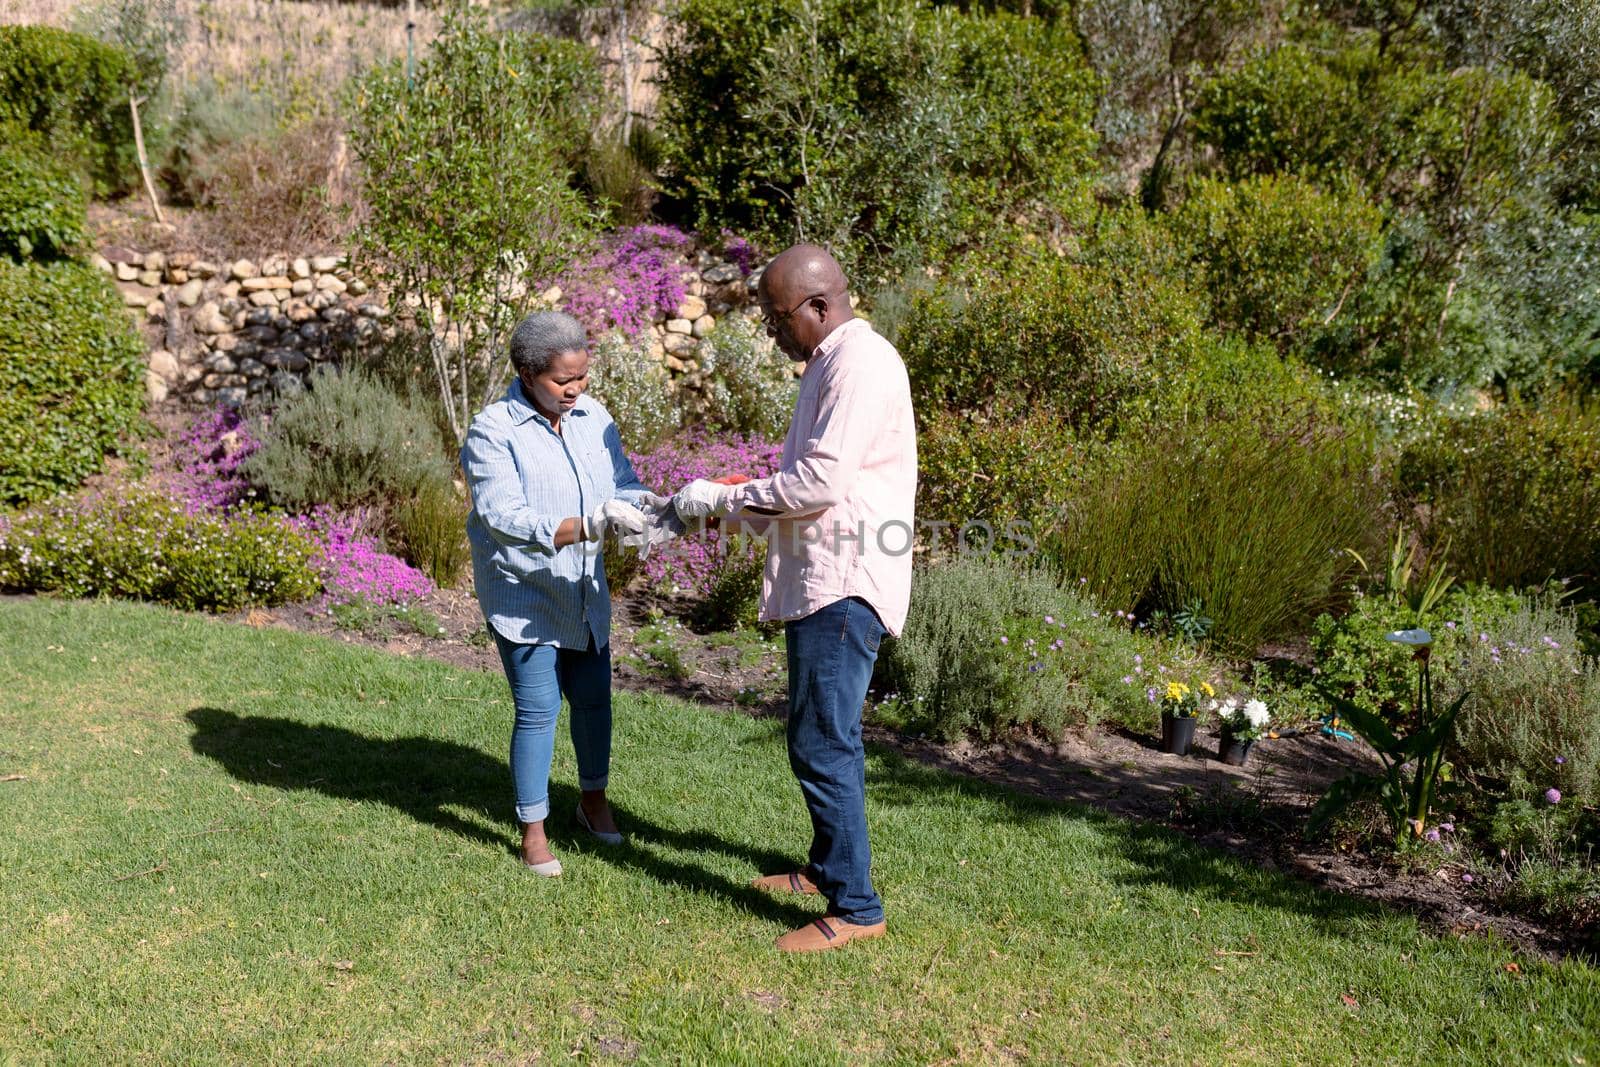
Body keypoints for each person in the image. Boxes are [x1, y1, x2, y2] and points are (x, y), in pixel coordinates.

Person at [673, 244, 917, 952]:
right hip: (826, 572)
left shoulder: (860, 365)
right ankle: (823, 868)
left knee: (821, 740)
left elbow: (817, 485)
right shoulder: (832, 363)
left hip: (844, 581)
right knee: (818, 732)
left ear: (817, 306)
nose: (773, 331)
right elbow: (806, 488)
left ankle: (858, 907)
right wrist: (721, 509)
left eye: (777, 318)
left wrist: (724, 495)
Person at [462, 310, 664, 877]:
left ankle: (592, 802)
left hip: (583, 589)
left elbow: (622, 482)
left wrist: (652, 508)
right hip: (524, 595)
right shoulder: (493, 431)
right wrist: (587, 523)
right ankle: (533, 831)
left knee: (595, 701)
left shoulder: (593, 416)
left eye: (582, 378)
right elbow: (504, 516)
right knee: (539, 709)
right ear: (527, 374)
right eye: (562, 381)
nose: (575, 390)